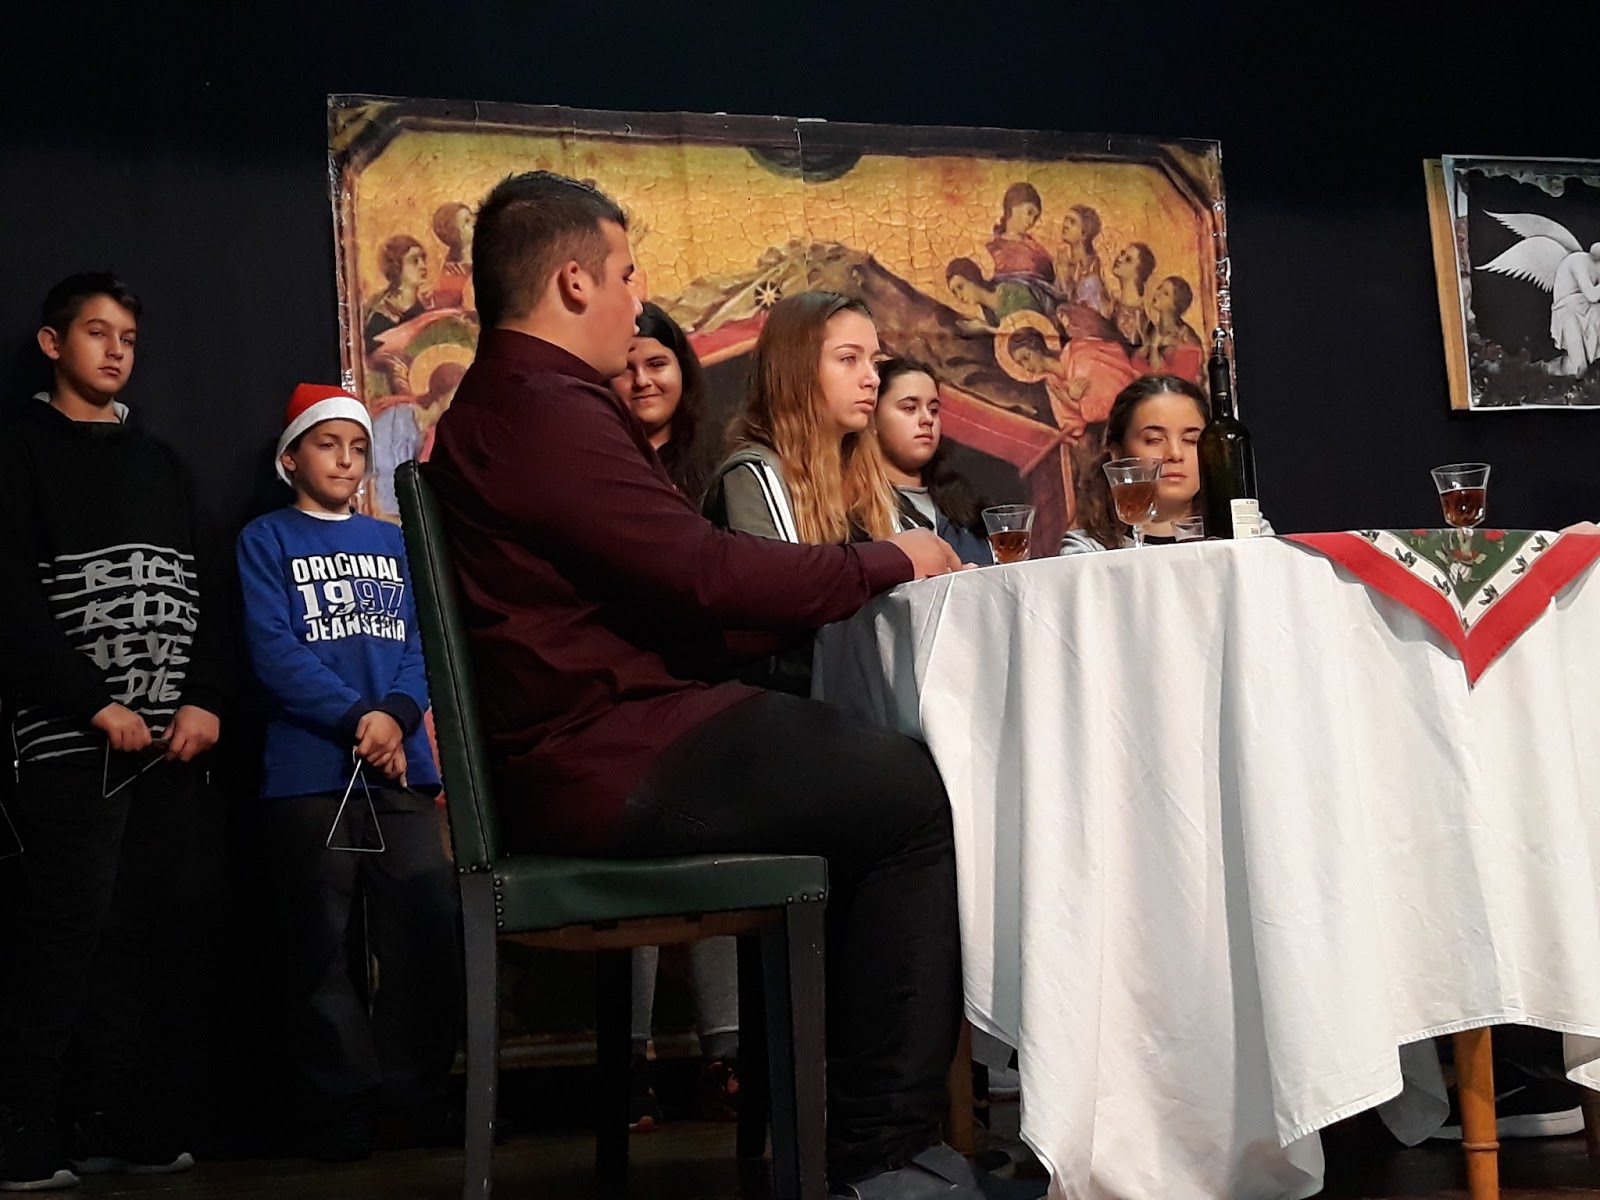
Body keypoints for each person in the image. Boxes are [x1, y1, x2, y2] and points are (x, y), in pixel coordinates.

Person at [425, 171, 1016, 1199]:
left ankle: (845, 1140)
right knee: (914, 797)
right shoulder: (539, 408)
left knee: (866, 778)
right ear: (573, 282)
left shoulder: (518, 403)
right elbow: (703, 573)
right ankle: (880, 1159)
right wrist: (892, 560)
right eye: (626, 272)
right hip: (609, 754)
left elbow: (676, 590)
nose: (638, 294)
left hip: (608, 737)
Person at [0, 273, 227, 1191]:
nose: (117, 350)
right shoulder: (19, 452)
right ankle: (21, 1133)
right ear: (54, 344)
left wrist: (204, 698)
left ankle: (120, 1119)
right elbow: (9, 599)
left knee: (149, 934)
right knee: (62, 934)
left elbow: (207, 589)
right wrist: (92, 701)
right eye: (98, 332)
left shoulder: (161, 460)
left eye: (128, 336)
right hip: (70, 741)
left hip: (169, 746)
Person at [236, 384, 462, 1161]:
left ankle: (415, 1096)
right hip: (310, 772)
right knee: (320, 946)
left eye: (357, 447)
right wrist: (356, 717)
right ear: (291, 457)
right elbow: (273, 649)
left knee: (426, 928)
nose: (344, 460)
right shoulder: (267, 539)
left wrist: (394, 715)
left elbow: (421, 643)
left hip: (399, 767)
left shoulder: (391, 541)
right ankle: (341, 1104)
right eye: (327, 444)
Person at [701, 291, 903, 696]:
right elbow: (781, 614)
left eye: (875, 362)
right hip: (788, 710)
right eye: (849, 359)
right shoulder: (754, 475)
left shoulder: (869, 478)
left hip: (865, 700)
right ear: (798, 370)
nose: (872, 379)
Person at [1060, 374, 1211, 552]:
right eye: (1154, 440)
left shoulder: (1235, 543)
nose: (1175, 454)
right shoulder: (1086, 552)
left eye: (1191, 440)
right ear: (1118, 454)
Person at [873, 357, 992, 565]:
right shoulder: (858, 511)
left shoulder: (965, 505)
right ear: (871, 419)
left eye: (934, 410)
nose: (927, 419)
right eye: (910, 408)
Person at [609, 301, 715, 503]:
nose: (642, 381)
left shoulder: (723, 456)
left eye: (656, 364)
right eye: (626, 369)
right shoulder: (592, 461)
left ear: (682, 369)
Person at [371, 361, 467, 518]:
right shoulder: (396, 418)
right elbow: (375, 463)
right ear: (441, 394)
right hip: (383, 509)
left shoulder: (443, 437)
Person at [364, 234, 431, 355]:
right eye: (414, 260)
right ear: (397, 266)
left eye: (423, 259)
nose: (423, 266)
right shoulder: (379, 319)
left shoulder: (423, 308)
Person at [1134, 275, 1204, 382]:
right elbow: (1136, 365)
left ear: (1175, 304)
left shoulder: (1185, 337)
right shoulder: (1151, 329)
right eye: (1159, 288)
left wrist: (1153, 348)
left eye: (1165, 293)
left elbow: (1177, 379)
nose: (1157, 293)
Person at [986, 182, 1055, 285]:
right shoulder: (992, 248)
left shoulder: (1037, 249)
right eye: (1029, 212)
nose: (1031, 221)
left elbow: (1049, 276)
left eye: (1035, 217)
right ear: (1014, 207)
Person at [1054, 204, 1109, 314]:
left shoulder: (1090, 267)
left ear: (1084, 234)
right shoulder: (1063, 260)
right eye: (1066, 220)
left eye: (1072, 222)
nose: (1065, 225)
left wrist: (1062, 273)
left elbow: (1079, 308)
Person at [1107, 242, 1156, 347]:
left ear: (1138, 272)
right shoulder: (1114, 303)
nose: (1120, 259)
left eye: (1128, 260)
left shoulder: (1137, 317)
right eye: (1122, 253)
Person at [430, 202, 475, 310]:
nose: (474, 221)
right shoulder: (454, 271)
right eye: (467, 221)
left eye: (472, 216)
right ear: (455, 234)